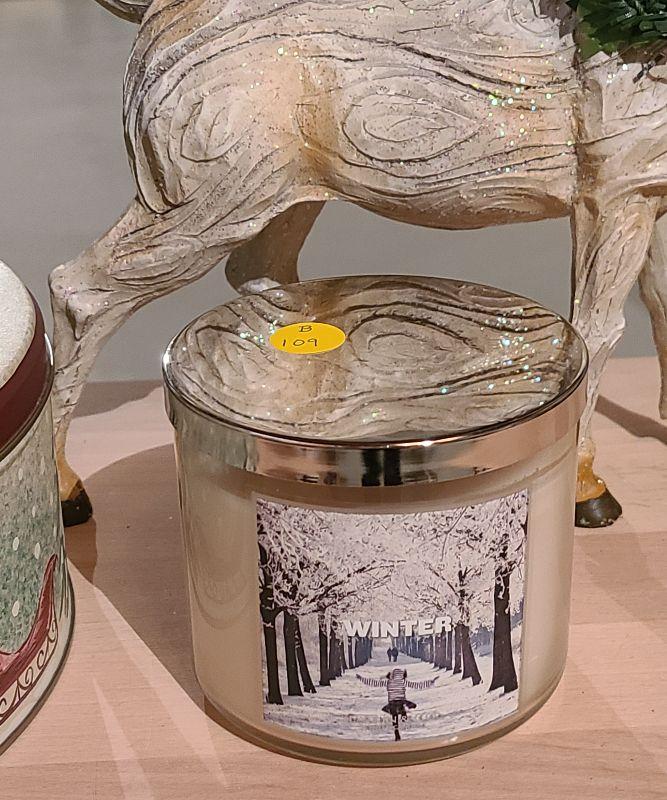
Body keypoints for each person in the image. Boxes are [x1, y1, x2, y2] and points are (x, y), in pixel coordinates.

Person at [356, 668, 437, 741]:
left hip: (392, 703)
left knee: (394, 715)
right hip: (402, 702)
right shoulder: (403, 681)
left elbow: (374, 683)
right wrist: (431, 682)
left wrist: (361, 679)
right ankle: (403, 714)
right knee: (405, 707)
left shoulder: (388, 682)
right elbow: (417, 685)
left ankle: (396, 729)